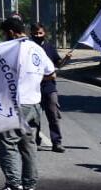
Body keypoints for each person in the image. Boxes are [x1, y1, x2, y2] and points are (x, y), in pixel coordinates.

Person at [0, 17, 56, 190]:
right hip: (34, 104)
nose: (4, 37)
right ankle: (30, 184)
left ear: (11, 32)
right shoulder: (37, 48)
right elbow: (51, 73)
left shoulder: (12, 49)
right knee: (29, 145)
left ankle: (13, 185)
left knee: (8, 144)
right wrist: (33, 80)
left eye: (5, 34)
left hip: (16, 104)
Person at [30, 23, 72, 152]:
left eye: (40, 33)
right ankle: (36, 141)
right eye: (35, 33)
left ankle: (57, 142)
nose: (38, 36)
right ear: (31, 34)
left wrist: (66, 59)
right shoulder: (28, 48)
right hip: (33, 87)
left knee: (53, 115)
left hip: (49, 87)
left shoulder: (49, 47)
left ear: (44, 34)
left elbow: (58, 64)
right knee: (35, 117)